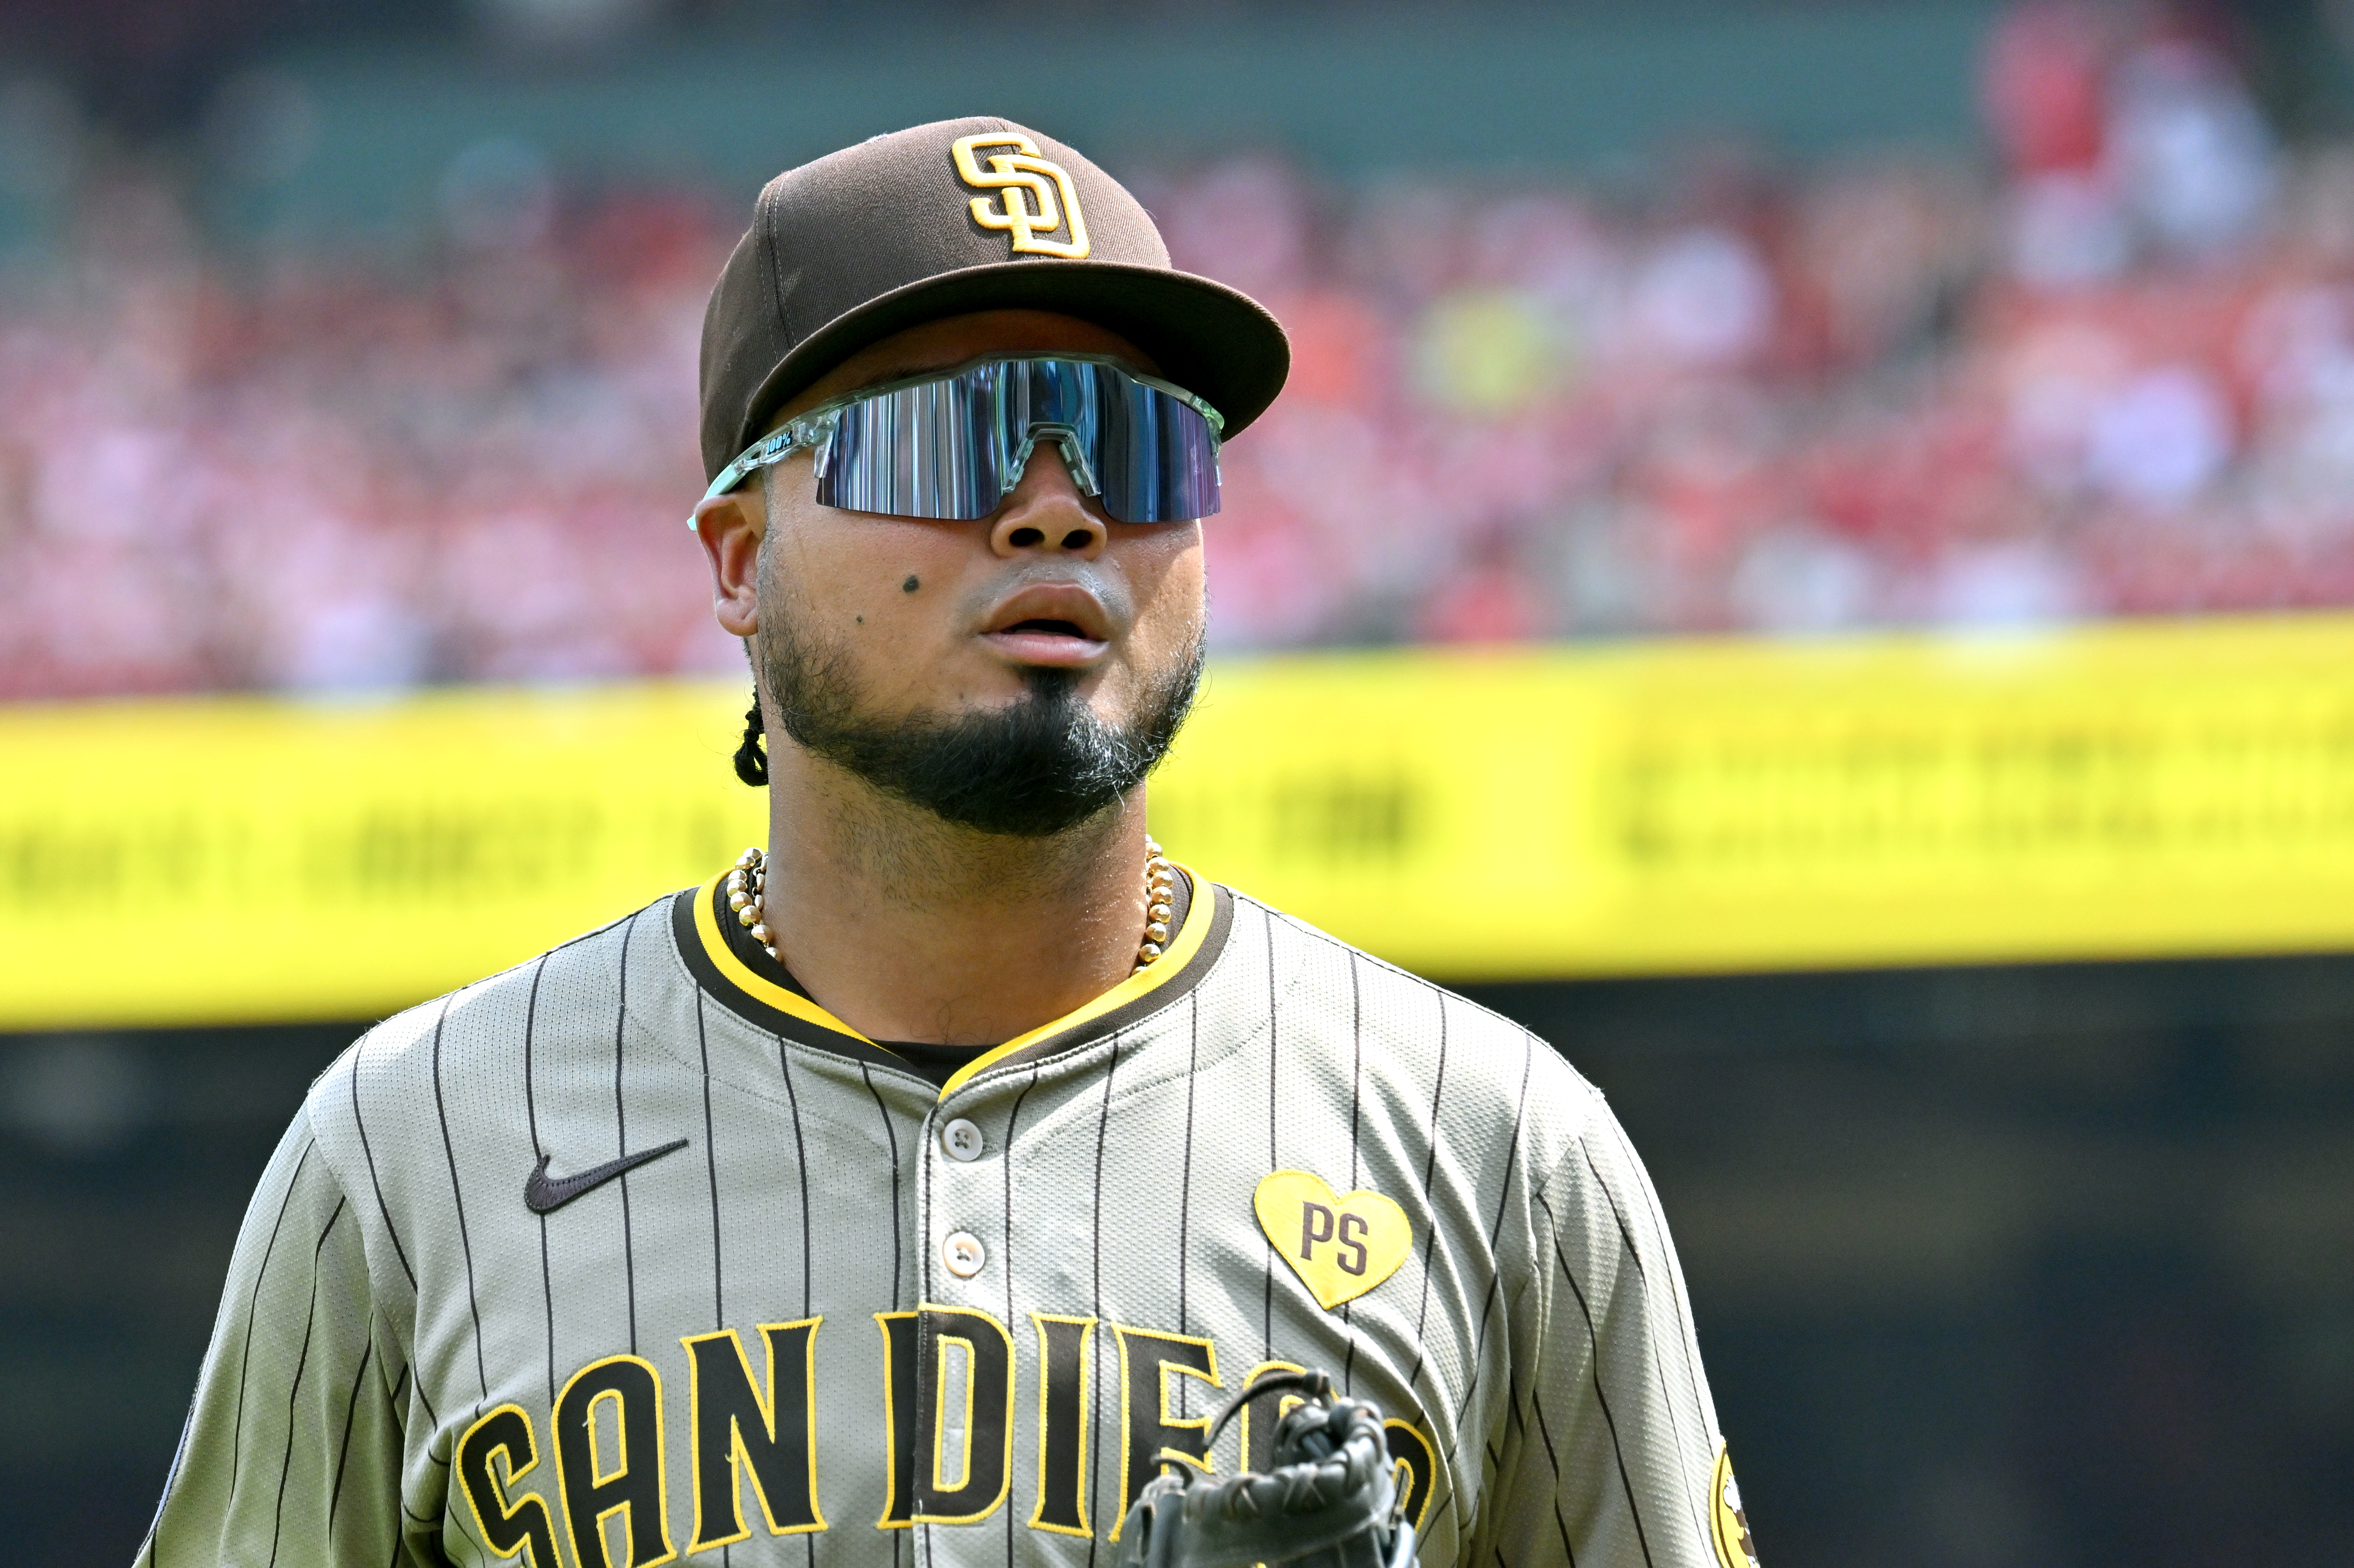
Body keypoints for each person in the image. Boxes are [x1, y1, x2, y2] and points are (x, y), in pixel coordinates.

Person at [138, 117, 1756, 1568]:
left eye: (1137, 441)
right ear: (740, 557)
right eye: (945, 436)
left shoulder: (1500, 1150)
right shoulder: (415, 1148)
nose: (1057, 509)